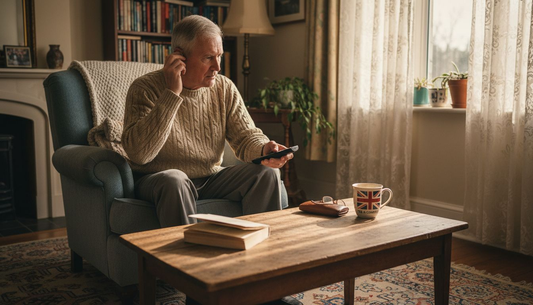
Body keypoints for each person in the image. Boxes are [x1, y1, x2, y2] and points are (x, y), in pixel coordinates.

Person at [121, 15, 292, 228]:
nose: (217, 67)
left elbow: (246, 136)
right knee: (175, 179)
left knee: (266, 173)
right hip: (158, 180)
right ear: (179, 57)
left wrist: (265, 149)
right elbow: (139, 153)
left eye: (219, 56)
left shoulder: (224, 88)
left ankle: (261, 255)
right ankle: (183, 260)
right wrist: (173, 94)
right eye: (208, 57)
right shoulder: (144, 88)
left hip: (210, 179)